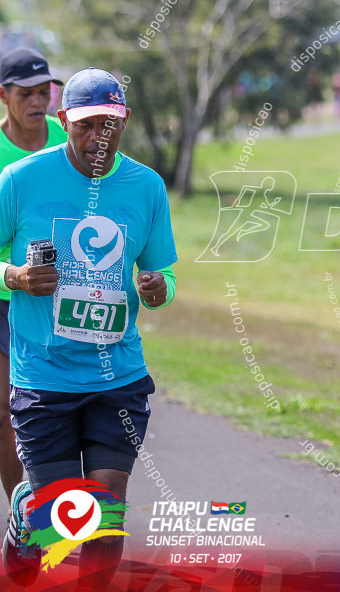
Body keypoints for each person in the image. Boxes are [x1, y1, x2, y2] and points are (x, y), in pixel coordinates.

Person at [0, 67, 177, 587]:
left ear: (125, 122)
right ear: (63, 121)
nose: (100, 137)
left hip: (116, 374)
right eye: (86, 126)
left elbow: (162, 269)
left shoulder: (145, 186)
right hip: (44, 376)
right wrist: (14, 276)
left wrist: (159, 288)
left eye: (111, 125)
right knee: (61, 523)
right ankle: (25, 520)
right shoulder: (21, 180)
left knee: (102, 515)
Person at [0, 48, 67, 506]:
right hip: (5, 295)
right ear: (3, 95)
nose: (38, 102)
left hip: (60, 293)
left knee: (57, 410)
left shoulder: (66, 137)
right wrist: (15, 275)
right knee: (8, 413)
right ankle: (25, 519)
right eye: (26, 94)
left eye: (44, 92)